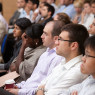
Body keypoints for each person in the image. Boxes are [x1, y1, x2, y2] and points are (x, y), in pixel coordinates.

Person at [5, 20, 65, 95]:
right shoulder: (46, 53)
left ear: (55, 38)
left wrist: (19, 91)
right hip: (24, 89)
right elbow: (32, 79)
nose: (41, 36)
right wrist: (18, 86)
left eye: (45, 34)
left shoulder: (57, 58)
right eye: (43, 32)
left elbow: (43, 88)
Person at [36, 24, 89, 95]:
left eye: (60, 39)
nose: (56, 42)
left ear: (73, 45)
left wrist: (41, 89)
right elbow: (40, 85)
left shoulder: (77, 71)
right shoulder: (64, 62)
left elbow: (41, 88)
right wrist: (41, 89)